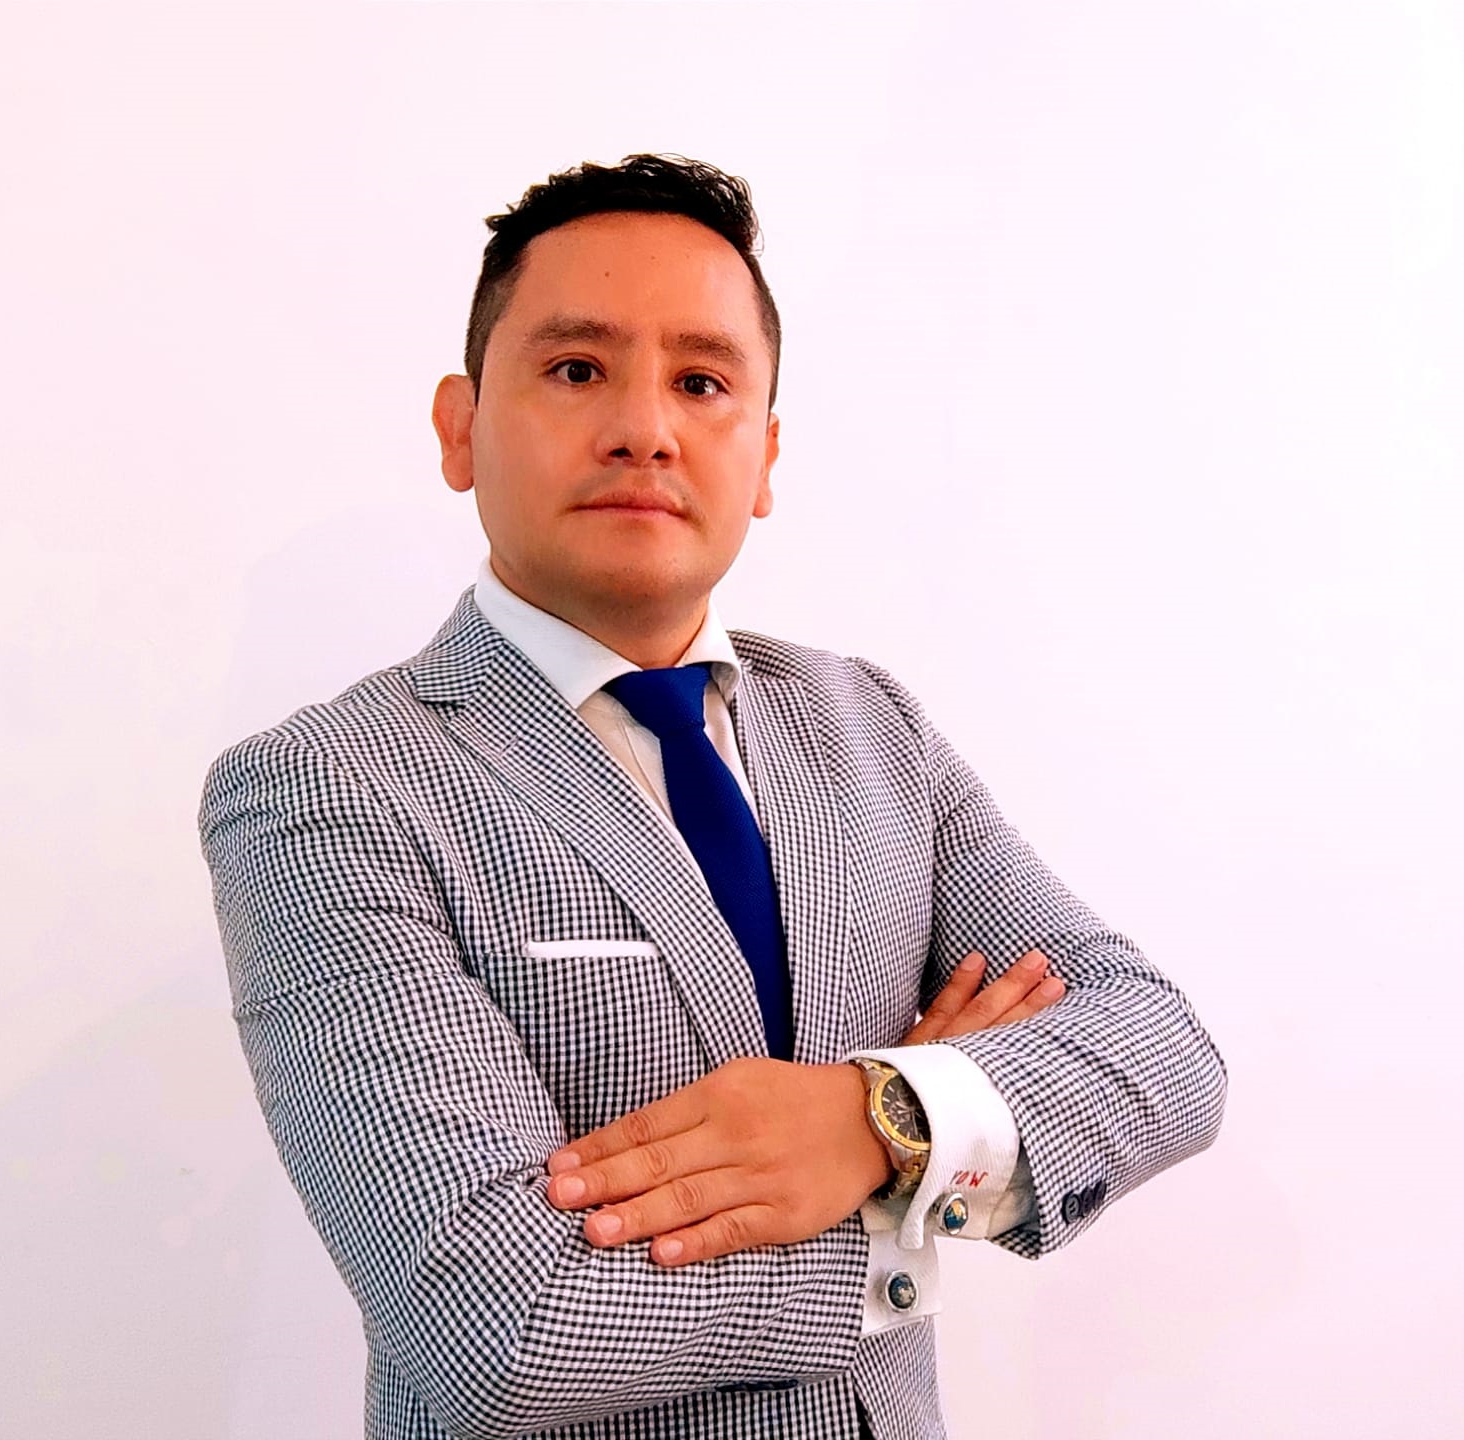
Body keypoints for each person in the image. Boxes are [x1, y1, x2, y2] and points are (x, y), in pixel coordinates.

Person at [199, 154, 1227, 1440]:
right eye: (577, 369)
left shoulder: (873, 726)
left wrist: (877, 1118)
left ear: (767, 453)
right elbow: (497, 1323)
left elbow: (1163, 1050)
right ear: (460, 428)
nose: (645, 427)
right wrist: (908, 1204)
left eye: (702, 382)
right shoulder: (325, 788)